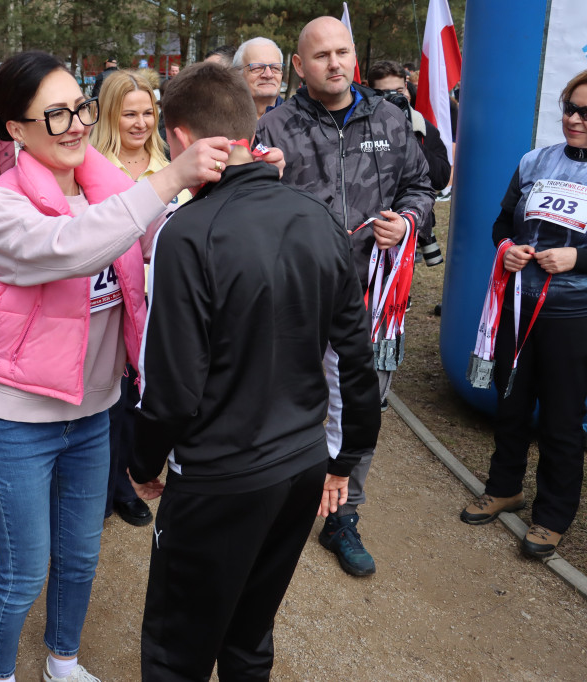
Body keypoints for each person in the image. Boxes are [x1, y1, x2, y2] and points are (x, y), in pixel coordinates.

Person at [0, 50, 229, 682]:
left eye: (78, 108)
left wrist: (240, 181)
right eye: (54, 115)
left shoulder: (109, 191)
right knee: (25, 569)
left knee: (81, 557)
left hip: (93, 411)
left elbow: (172, 247)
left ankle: (62, 658)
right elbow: (71, 249)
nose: (76, 125)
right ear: (15, 129)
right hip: (16, 421)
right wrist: (167, 181)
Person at [130, 60, 381, 682]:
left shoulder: (186, 232)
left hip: (222, 474)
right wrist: (343, 459)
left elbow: (172, 385)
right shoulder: (318, 216)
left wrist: (141, 464)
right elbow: (354, 357)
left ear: (181, 139)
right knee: (249, 632)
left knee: (176, 647)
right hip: (298, 465)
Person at [255, 16, 435, 577]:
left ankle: (343, 516)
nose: (335, 63)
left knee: (359, 409)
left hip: (369, 298)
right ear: (299, 66)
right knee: (283, 401)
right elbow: (242, 206)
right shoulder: (273, 127)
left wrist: (406, 223)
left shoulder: (390, 117)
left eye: (343, 52)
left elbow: (421, 187)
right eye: (321, 55)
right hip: (295, 301)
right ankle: (275, 503)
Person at [460, 69, 587, 560]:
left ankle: (553, 515)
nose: (573, 118)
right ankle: (505, 486)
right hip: (518, 305)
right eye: (569, 107)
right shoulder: (535, 160)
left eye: (585, 113)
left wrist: (578, 258)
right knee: (510, 402)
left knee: (560, 419)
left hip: (573, 316)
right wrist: (508, 247)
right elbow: (501, 222)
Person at [89, 68, 190, 527]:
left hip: (161, 305)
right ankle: (104, 485)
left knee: (144, 396)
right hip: (108, 302)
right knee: (110, 397)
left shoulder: (172, 168)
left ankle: (132, 479)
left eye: (148, 113)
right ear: (110, 116)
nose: (140, 123)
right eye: (128, 113)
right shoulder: (91, 169)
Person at [368, 60, 450, 265]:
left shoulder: (422, 127)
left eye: (399, 90)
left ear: (407, 88)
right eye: (386, 93)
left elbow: (440, 178)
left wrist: (407, 137)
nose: (395, 99)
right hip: (369, 228)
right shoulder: (360, 128)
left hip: (405, 227)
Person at [231, 37, 285, 117]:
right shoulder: (218, 119)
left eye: (275, 68)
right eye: (257, 68)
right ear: (238, 75)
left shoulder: (299, 121)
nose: (268, 75)